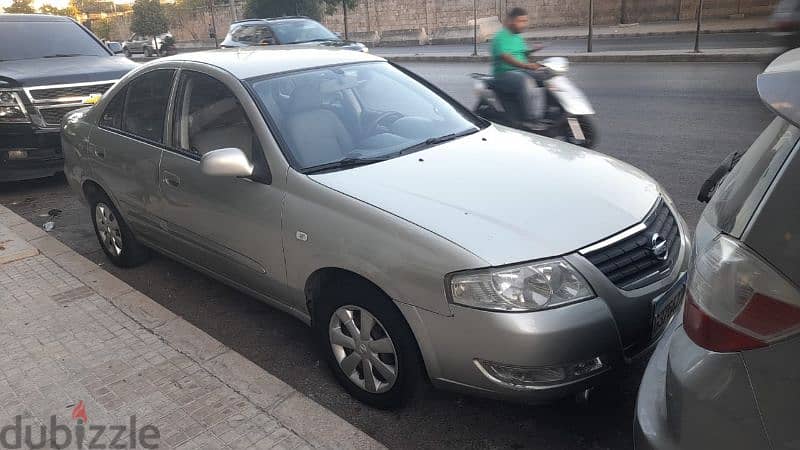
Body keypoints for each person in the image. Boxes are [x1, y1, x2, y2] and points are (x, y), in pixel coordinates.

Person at [491, 7, 546, 129]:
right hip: (504, 74)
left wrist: (532, 51)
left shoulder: (517, 36)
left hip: (520, 70)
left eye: (525, 21)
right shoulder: (500, 37)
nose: (524, 24)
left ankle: (549, 112)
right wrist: (527, 66)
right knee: (525, 81)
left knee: (547, 75)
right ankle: (530, 119)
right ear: (511, 21)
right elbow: (506, 57)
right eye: (521, 21)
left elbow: (522, 54)